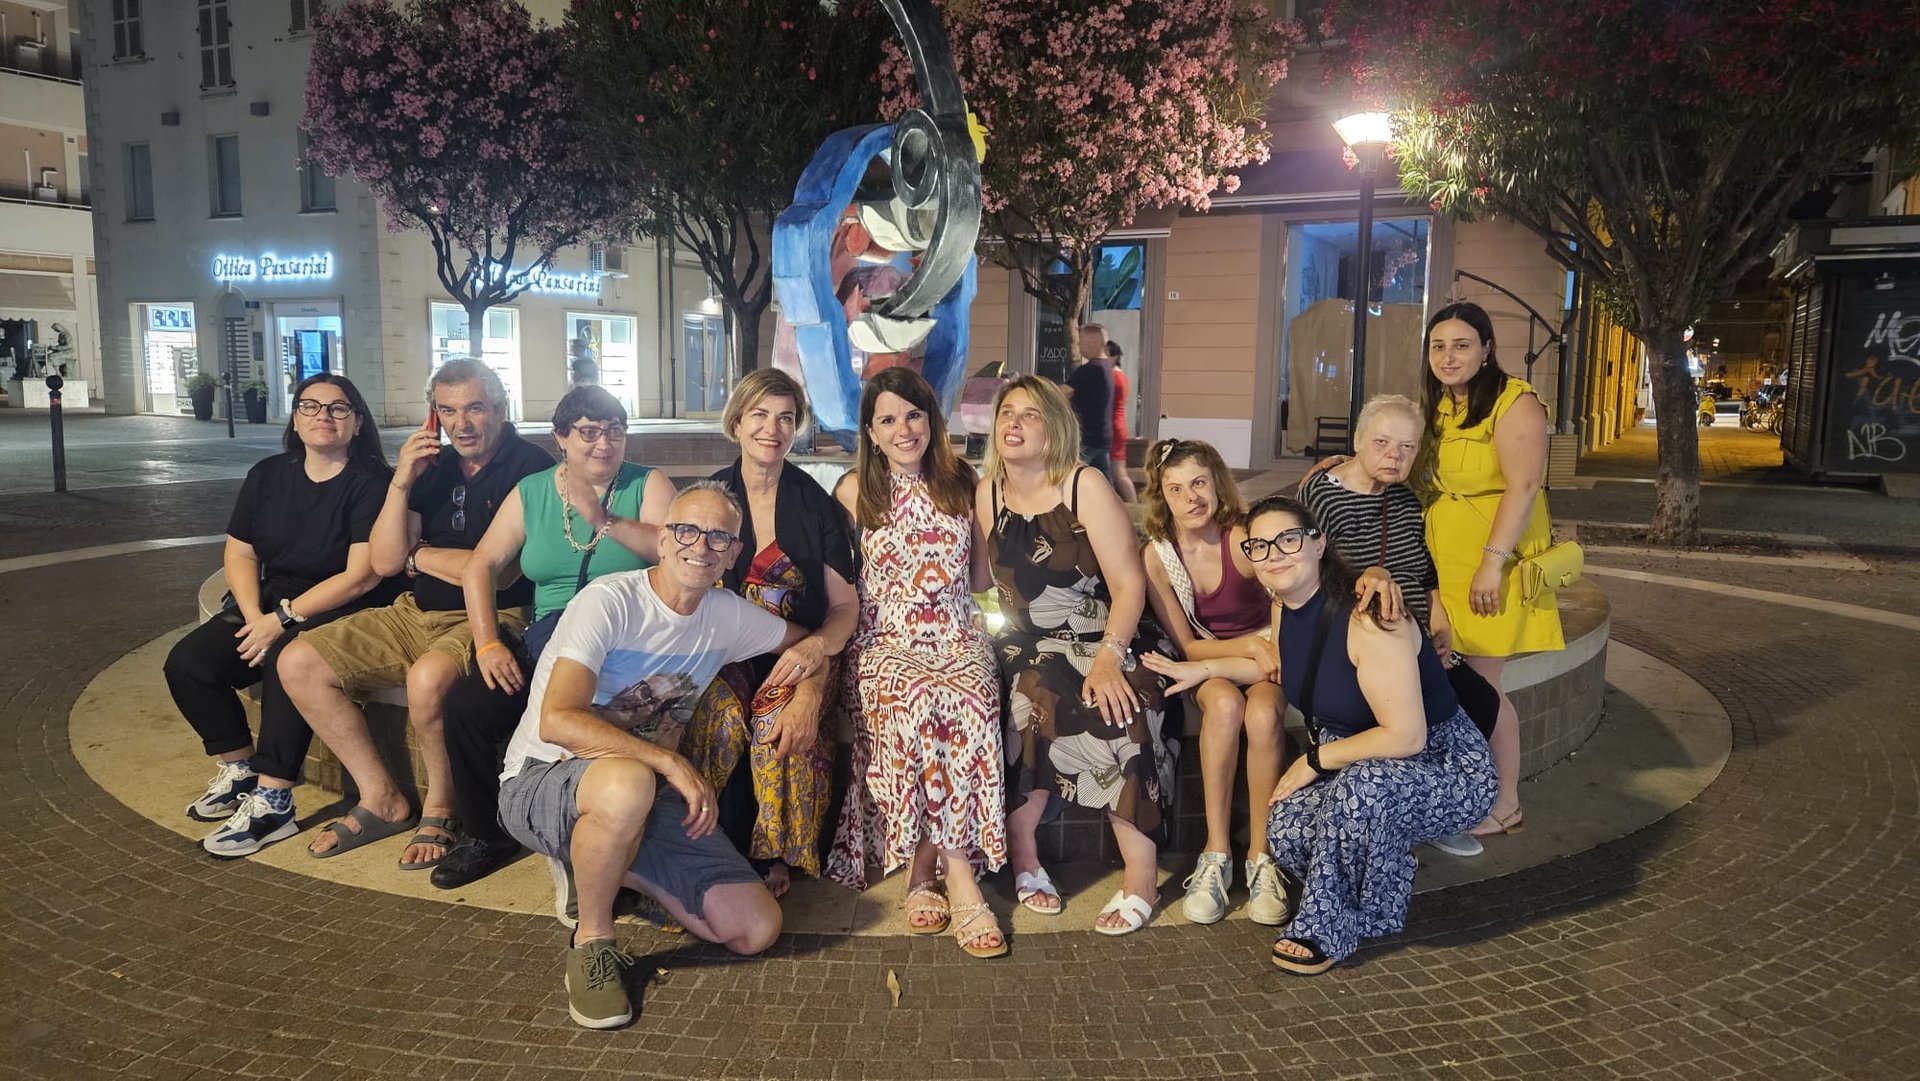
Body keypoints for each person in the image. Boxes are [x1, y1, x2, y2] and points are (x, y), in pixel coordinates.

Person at [496, 482, 829, 1028]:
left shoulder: (725, 613)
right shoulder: (610, 601)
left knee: (754, 928)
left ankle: (610, 864)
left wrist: (810, 693)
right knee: (629, 784)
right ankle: (593, 942)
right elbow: (558, 721)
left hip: (640, 795)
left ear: (734, 552)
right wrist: (671, 763)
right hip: (543, 779)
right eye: (687, 531)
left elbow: (809, 644)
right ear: (662, 538)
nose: (702, 545)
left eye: (720, 537)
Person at [201, 359, 552, 862]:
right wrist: (404, 480)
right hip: (412, 610)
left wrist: (421, 555)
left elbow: (500, 574)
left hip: (496, 615)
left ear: (500, 409)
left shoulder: (530, 467)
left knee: (428, 680)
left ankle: (441, 805)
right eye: (448, 411)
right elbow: (388, 560)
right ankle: (381, 797)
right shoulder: (433, 466)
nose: (462, 423)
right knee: (297, 661)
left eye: (475, 408)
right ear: (434, 416)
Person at [1148, 496, 1496, 974]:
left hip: (1443, 765)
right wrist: (1200, 669)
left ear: (1318, 544)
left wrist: (1314, 760)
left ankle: (1324, 927)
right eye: (1260, 546)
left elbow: (1408, 737)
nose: (1275, 554)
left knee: (1360, 790)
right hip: (1359, 761)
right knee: (1285, 824)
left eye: (1288, 539)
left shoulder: (1371, 618)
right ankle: (1384, 868)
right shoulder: (1285, 605)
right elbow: (1278, 666)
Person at [428, 385, 677, 889]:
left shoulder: (646, 484)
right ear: (560, 437)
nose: (603, 443)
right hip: (552, 637)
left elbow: (671, 551)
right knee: (468, 708)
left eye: (615, 431)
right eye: (588, 432)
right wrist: (488, 643)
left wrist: (605, 519)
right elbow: (482, 565)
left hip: (624, 635)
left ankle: (612, 842)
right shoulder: (534, 491)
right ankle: (485, 833)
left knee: (598, 720)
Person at [825, 368, 1007, 959]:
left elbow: (980, 577)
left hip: (955, 633)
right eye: (888, 419)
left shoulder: (962, 482)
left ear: (931, 419)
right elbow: (838, 586)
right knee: (914, 702)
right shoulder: (854, 490)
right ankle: (960, 876)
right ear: (870, 432)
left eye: (913, 415)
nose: (903, 429)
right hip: (883, 639)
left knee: (969, 699)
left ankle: (927, 868)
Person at [980, 375, 1172, 935]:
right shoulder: (986, 490)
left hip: (1104, 631)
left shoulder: (1083, 484)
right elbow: (976, 576)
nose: (1014, 423)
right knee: (1027, 702)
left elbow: (1130, 586)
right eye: (1006, 412)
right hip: (1026, 640)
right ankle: (1024, 853)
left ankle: (1142, 874)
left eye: (1031, 414)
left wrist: (1111, 657)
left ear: (1055, 427)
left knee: (1121, 712)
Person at [165, 374, 390, 823]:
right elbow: (240, 552)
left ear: (358, 422)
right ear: (295, 416)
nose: (323, 416)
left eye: (338, 408)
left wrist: (281, 621)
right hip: (273, 602)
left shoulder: (373, 482)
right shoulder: (268, 475)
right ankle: (241, 768)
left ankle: (275, 797)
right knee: (189, 663)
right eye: (310, 406)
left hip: (340, 605)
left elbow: (360, 576)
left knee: (288, 661)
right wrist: (255, 619)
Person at [680, 369, 857, 897]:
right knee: (715, 718)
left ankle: (774, 853)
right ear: (736, 421)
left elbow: (845, 607)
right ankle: (700, 842)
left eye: (785, 418)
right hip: (726, 655)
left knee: (776, 721)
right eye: (759, 414)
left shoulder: (816, 506)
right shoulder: (711, 499)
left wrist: (814, 659)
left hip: (803, 650)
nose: (772, 429)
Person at [1299, 394, 1482, 859]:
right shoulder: (1322, 494)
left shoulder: (1402, 498)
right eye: (1381, 442)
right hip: (1364, 644)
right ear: (1358, 441)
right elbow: (1317, 578)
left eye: (1406, 447)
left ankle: (1433, 810)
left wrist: (1439, 623)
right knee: (1419, 720)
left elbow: (1421, 570)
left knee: (1481, 700)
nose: (1393, 455)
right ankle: (1410, 815)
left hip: (1414, 638)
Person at [1420, 302, 1563, 838]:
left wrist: (1491, 564)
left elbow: (1524, 487)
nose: (1448, 356)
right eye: (1438, 346)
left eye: (1461, 345)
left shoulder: (1515, 400)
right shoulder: (1444, 404)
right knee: (1458, 678)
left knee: (1483, 682)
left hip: (1490, 564)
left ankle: (1505, 801)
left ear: (1486, 349)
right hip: (1448, 562)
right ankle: (1468, 791)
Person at [1136, 438, 1288, 926]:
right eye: (1175, 488)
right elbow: (1189, 645)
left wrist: (1259, 650)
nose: (1190, 498)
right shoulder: (1159, 556)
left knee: (1263, 714)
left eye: (1199, 483)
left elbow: (1283, 630)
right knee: (1223, 708)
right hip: (1217, 657)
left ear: (1218, 484)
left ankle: (1261, 857)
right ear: (1161, 495)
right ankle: (1216, 852)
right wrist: (1245, 648)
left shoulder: (1245, 539)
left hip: (1271, 658)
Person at [1064, 323, 1114, 479]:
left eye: (1081, 341)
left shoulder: (1091, 368)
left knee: (1068, 475)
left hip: (1087, 437)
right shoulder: (1106, 367)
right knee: (1103, 479)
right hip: (1101, 435)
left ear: (1093, 342)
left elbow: (1063, 392)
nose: (1078, 346)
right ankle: (1111, 502)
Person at [1105, 341, 1137, 503]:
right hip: (1118, 425)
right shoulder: (1121, 376)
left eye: (1106, 354)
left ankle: (1134, 505)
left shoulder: (1114, 377)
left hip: (1112, 427)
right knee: (1117, 472)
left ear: (1114, 356)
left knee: (1118, 473)